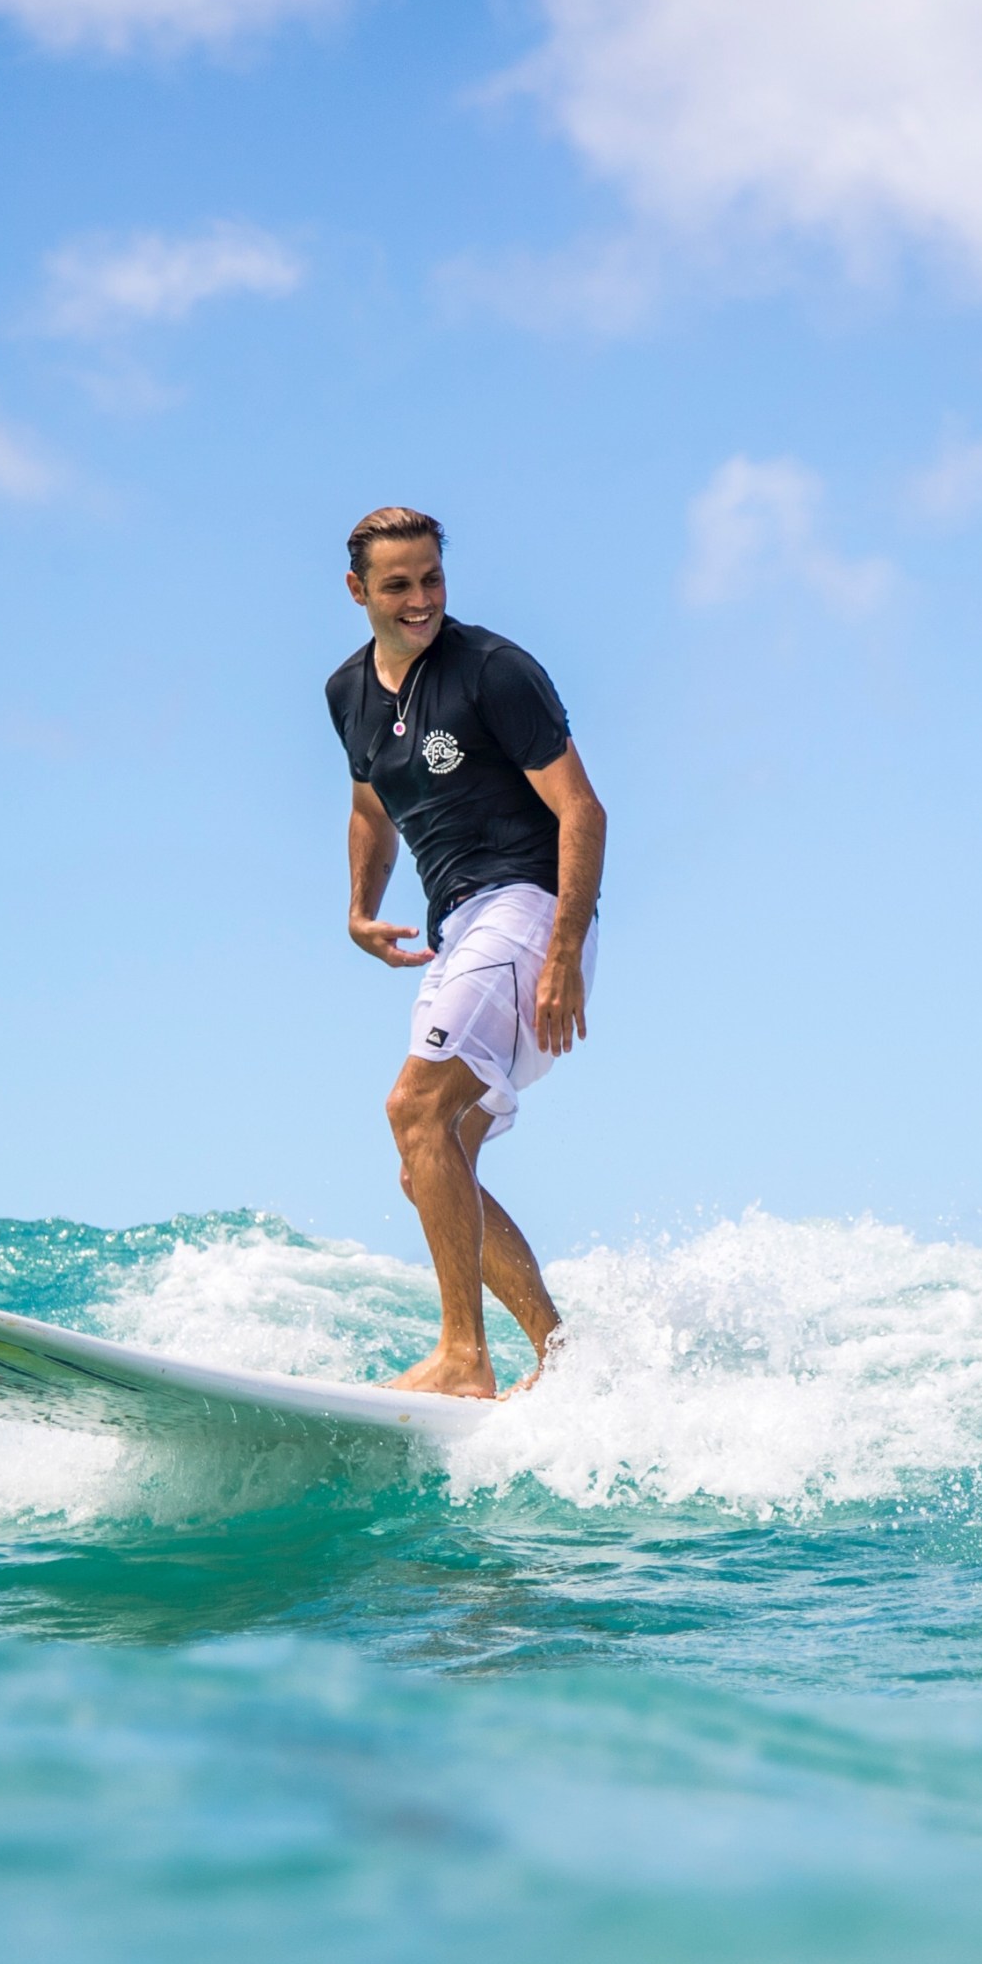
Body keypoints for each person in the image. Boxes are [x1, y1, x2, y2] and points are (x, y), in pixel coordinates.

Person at [327, 506, 607, 1398]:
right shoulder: (348, 693)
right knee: (428, 1165)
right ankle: (563, 1357)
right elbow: (372, 805)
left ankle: (463, 1358)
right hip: (459, 930)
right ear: (358, 592)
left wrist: (563, 951)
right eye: (399, 585)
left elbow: (583, 812)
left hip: (527, 908)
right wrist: (360, 908)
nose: (420, 601)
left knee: (414, 1108)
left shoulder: (492, 670)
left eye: (432, 580)